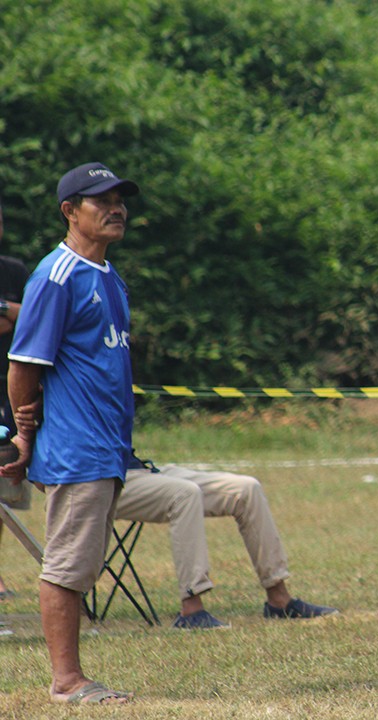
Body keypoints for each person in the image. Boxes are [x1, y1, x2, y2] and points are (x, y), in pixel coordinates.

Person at [1, 162, 140, 704]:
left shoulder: (109, 276)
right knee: (65, 565)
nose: (115, 208)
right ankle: (66, 681)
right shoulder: (56, 276)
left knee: (82, 563)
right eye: (100, 200)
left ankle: (71, 676)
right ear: (69, 211)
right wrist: (24, 437)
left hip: (107, 446)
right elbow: (24, 364)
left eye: (119, 199)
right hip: (76, 445)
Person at [117, 451, 338, 628]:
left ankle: (279, 599)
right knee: (185, 494)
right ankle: (192, 610)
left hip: (136, 468)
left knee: (246, 489)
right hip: (99, 477)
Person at [0, 198, 30, 608]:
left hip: (6, 387)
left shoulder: (14, 270)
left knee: (4, 479)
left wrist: (5, 308)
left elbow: (32, 317)